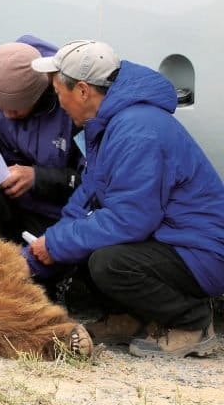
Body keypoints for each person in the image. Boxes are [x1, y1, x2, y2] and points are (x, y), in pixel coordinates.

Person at [27, 40, 224, 358]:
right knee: (80, 245)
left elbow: (131, 220)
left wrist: (58, 243)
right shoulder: (113, 123)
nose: (58, 102)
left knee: (108, 263)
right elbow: (87, 197)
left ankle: (192, 323)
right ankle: (127, 320)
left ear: (82, 90)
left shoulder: (136, 130)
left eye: (58, 92)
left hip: (202, 253)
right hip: (174, 241)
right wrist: (42, 250)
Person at [0, 35, 82, 244]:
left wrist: (37, 177)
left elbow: (93, 180)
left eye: (15, 109)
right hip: (4, 204)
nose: (7, 115)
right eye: (0, 107)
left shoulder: (71, 105)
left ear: (38, 95)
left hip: (58, 212)